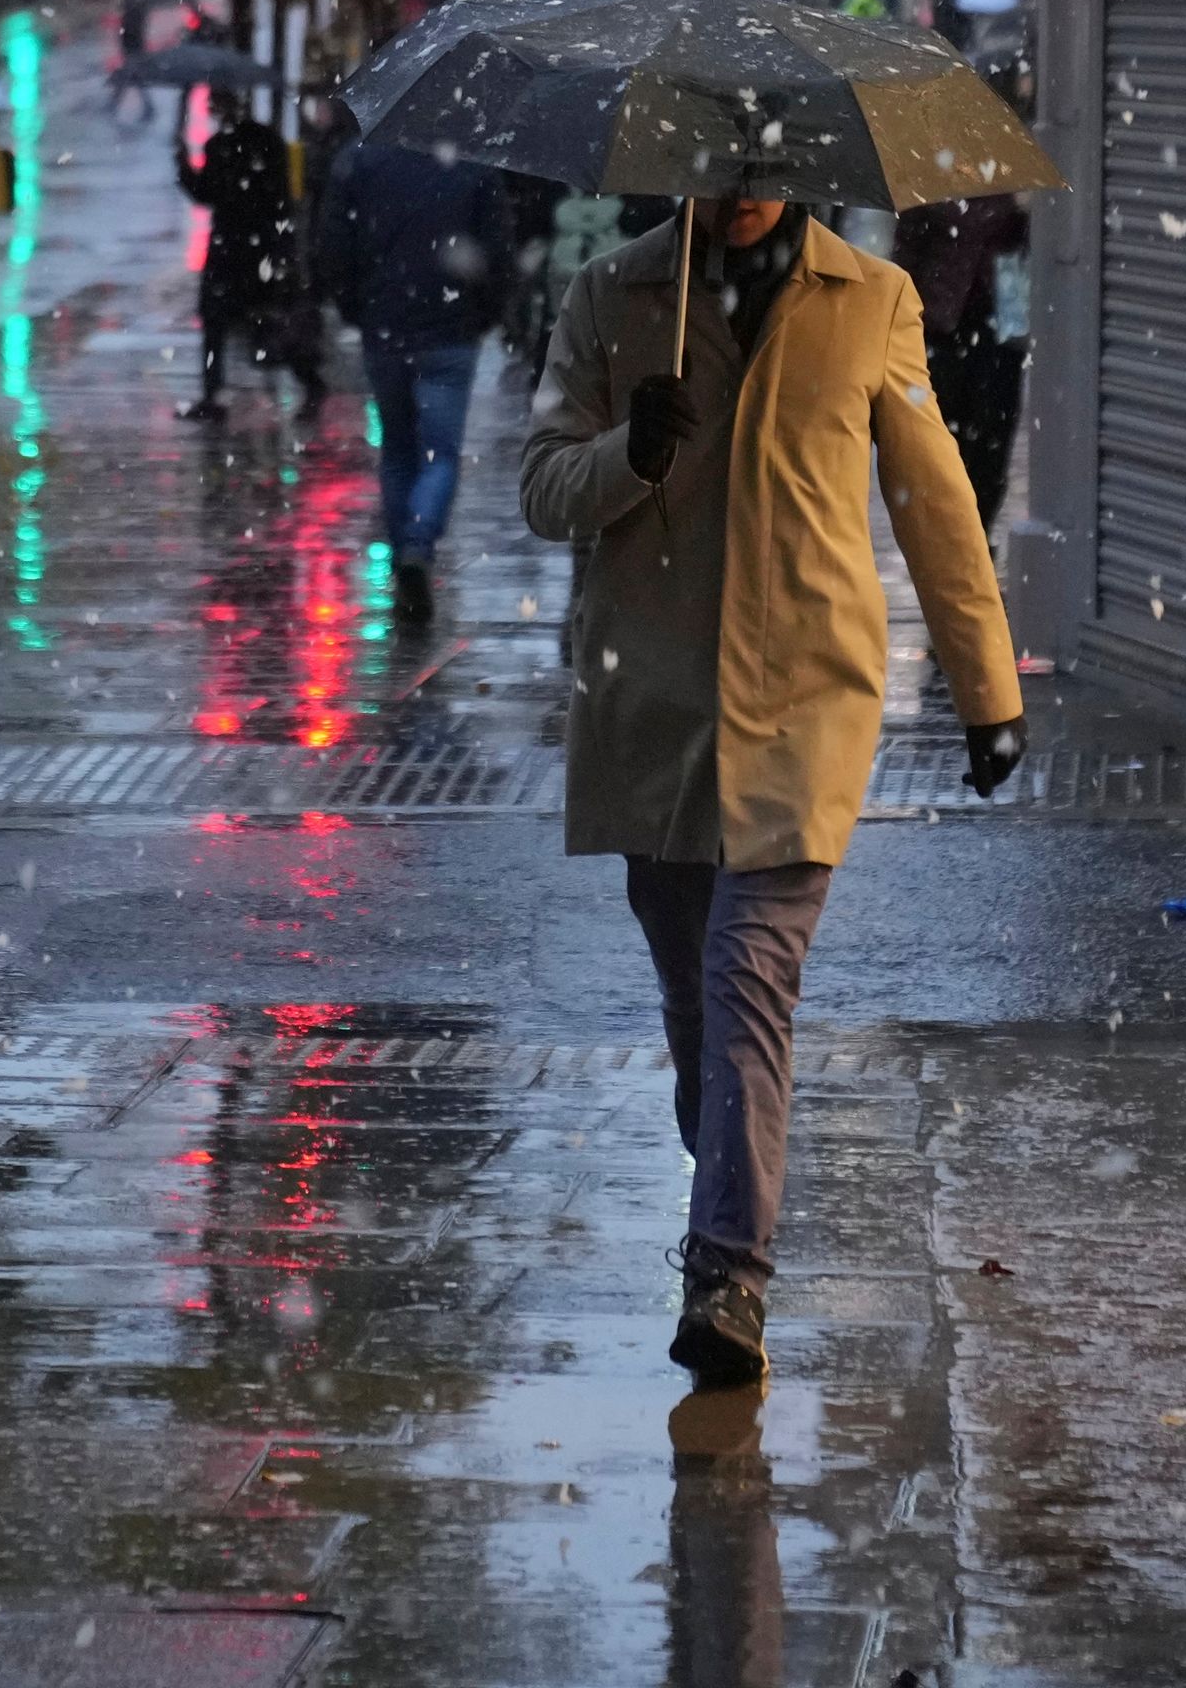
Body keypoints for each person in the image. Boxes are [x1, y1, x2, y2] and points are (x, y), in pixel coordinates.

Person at [519, 194, 1023, 1390]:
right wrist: (626, 454)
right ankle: (730, 1187)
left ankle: (728, 1273)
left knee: (749, 978)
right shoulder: (614, 294)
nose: (743, 183)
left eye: (766, 158)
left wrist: (987, 690)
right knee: (699, 1006)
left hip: (805, 699)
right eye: (721, 158)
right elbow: (543, 487)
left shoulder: (873, 299)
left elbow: (934, 499)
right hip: (658, 708)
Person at [315, 134, 514, 623]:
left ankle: (406, 544)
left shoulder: (358, 161)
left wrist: (355, 306)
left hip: (386, 328)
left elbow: (332, 247)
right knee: (440, 451)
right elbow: (498, 253)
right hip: (450, 331)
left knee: (399, 448)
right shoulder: (473, 162)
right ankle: (418, 547)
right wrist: (484, 312)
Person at [890, 190, 1030, 529]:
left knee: (991, 447)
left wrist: (1025, 215)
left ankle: (978, 538)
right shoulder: (930, 181)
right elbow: (905, 255)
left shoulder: (1015, 183)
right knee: (942, 447)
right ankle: (947, 537)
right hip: (941, 327)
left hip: (999, 331)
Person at [175, 99, 316, 419]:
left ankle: (212, 394)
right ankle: (310, 380)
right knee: (266, 320)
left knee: (217, 323)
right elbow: (284, 198)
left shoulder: (221, 146)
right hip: (261, 249)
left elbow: (205, 193)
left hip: (229, 249)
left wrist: (183, 166)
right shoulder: (270, 142)